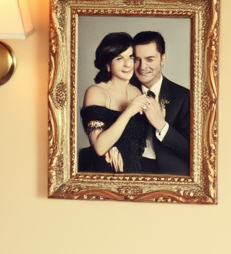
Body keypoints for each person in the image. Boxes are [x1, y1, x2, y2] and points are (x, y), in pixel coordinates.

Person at [79, 33, 152, 173]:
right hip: (102, 170)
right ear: (108, 65)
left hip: (133, 170)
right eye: (119, 58)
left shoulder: (137, 92)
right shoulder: (96, 92)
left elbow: (138, 140)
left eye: (131, 57)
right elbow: (100, 148)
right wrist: (129, 111)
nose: (128, 64)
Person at [130, 29, 191, 176]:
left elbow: (193, 152)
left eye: (149, 59)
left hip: (169, 174)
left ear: (163, 59)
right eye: (137, 59)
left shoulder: (183, 96)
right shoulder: (123, 91)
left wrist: (162, 126)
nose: (142, 66)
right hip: (129, 170)